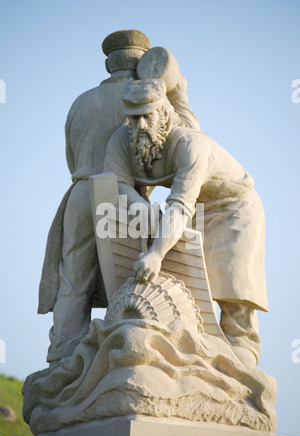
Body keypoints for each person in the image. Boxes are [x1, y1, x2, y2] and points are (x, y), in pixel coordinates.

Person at [38, 31, 200, 364]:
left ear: (110, 62)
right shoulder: (147, 96)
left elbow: (71, 156)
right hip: (122, 196)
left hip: (82, 191)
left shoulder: (82, 101)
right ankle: (130, 352)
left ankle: (63, 358)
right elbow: (190, 135)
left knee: (74, 279)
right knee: (130, 275)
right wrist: (180, 94)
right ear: (141, 62)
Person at [104, 79, 269, 367]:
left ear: (164, 113)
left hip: (234, 207)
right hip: (195, 208)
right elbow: (115, 184)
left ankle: (243, 349)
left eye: (147, 115)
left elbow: (179, 206)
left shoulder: (190, 146)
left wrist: (156, 253)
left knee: (230, 282)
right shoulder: (122, 140)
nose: (140, 124)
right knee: (192, 277)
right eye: (134, 117)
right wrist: (143, 209)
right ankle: (199, 341)